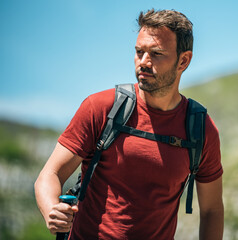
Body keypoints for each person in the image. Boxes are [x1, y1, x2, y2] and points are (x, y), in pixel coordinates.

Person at [34, 9, 224, 240]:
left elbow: (212, 209)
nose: (143, 62)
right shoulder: (100, 107)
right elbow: (49, 174)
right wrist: (51, 211)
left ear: (183, 60)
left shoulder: (201, 128)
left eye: (156, 53)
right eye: (139, 52)